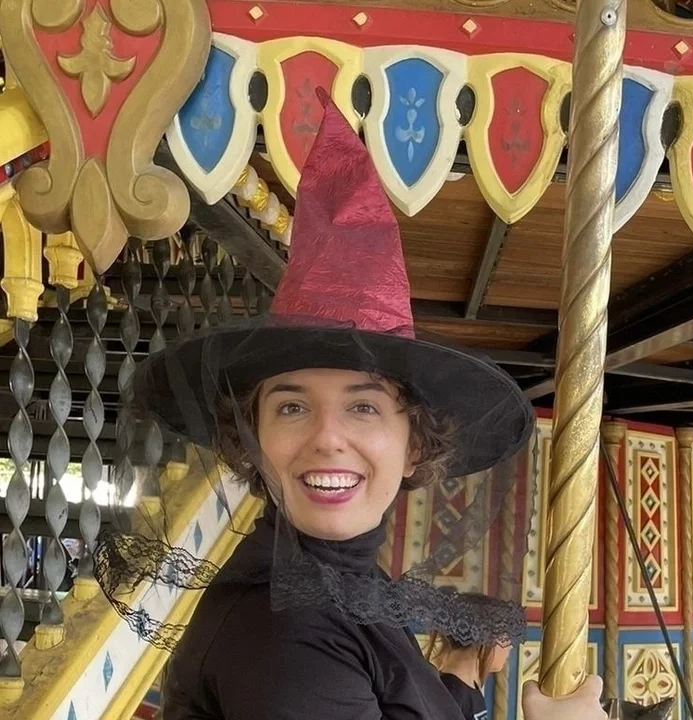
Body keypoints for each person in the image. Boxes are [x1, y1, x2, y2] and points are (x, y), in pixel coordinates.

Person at [99, 90, 609, 720]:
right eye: (291, 408)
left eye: (364, 407)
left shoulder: (341, 587)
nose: (327, 437)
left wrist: (458, 676)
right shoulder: (284, 637)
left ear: (414, 444)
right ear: (253, 439)